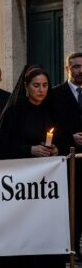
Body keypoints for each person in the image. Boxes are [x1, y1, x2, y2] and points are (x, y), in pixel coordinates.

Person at [0, 65, 67, 267]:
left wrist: (55, 150)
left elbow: (63, 140)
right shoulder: (15, 111)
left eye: (44, 85)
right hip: (19, 186)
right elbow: (3, 148)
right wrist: (29, 150)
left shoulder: (52, 108)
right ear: (26, 86)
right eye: (36, 85)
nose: (41, 90)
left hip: (49, 186)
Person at [50, 52, 82, 259]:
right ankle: (72, 247)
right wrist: (70, 138)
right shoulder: (55, 94)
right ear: (67, 69)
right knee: (72, 206)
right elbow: (49, 128)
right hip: (67, 160)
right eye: (75, 67)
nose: (80, 71)